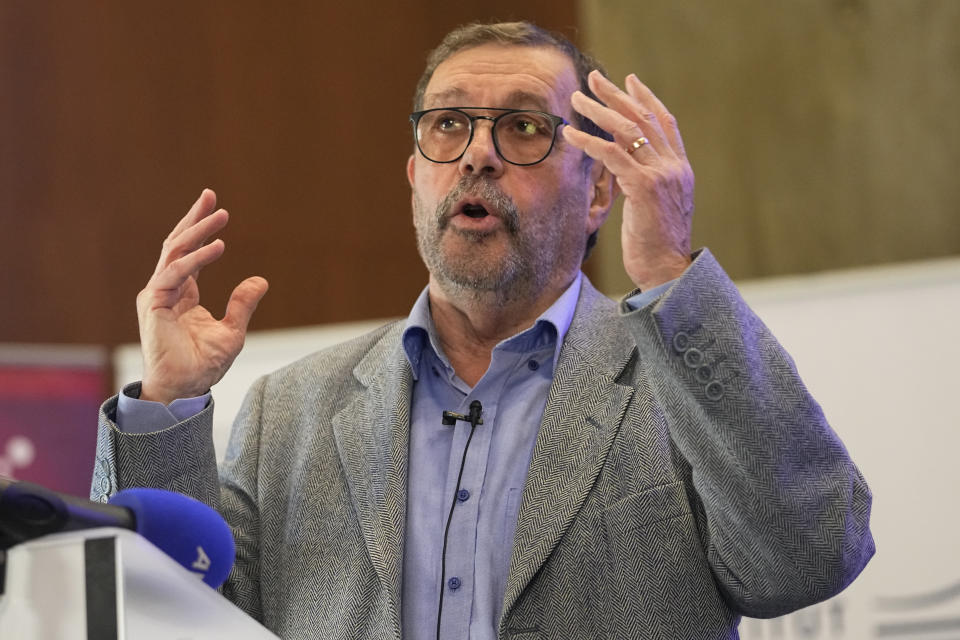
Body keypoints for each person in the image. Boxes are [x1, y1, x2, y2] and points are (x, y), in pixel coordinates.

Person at [91, 21, 874, 640]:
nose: (478, 157)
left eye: (525, 128)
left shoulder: (679, 382)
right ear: (415, 176)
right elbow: (162, 619)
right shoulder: (289, 413)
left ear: (598, 187)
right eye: (449, 125)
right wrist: (166, 401)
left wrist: (671, 273)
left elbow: (805, 559)